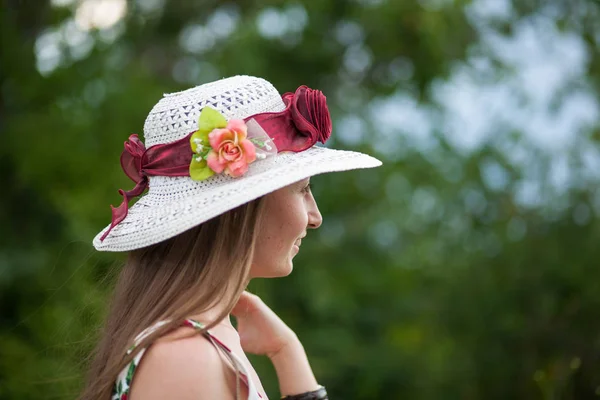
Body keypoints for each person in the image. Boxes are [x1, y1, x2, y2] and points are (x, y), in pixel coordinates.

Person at [80, 75, 381, 400]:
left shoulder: (201, 344)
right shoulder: (187, 358)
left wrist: (287, 352)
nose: (315, 217)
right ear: (241, 208)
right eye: (303, 189)